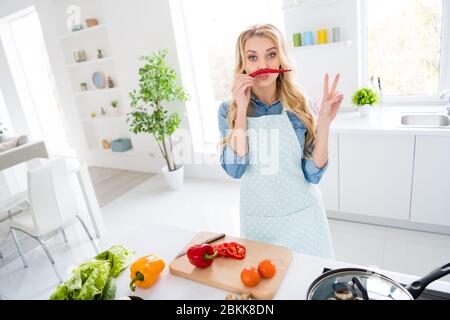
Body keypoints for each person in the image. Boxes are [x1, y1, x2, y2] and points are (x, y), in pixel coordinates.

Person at [218, 24, 344, 259]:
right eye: (252, 57)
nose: (262, 64)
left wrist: (324, 123)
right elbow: (235, 169)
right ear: (243, 63)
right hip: (259, 222)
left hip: (304, 219)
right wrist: (243, 108)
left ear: (281, 60)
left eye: (271, 54)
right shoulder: (229, 110)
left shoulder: (299, 103)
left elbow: (312, 174)